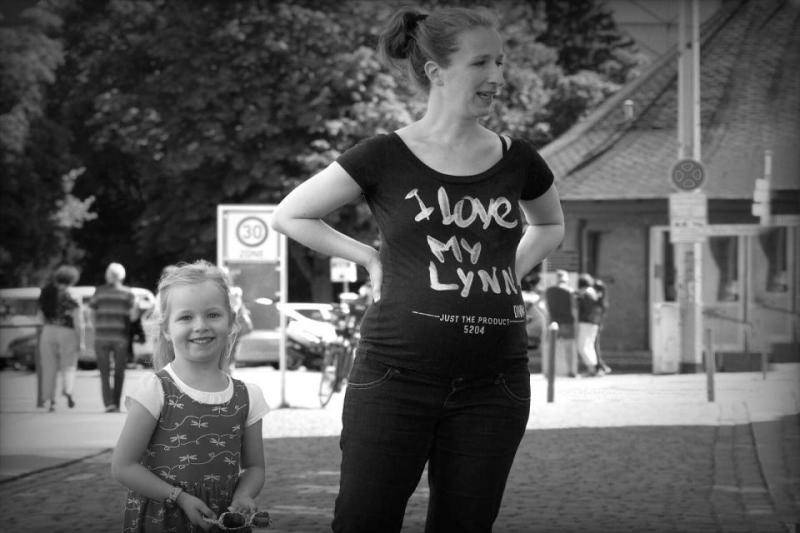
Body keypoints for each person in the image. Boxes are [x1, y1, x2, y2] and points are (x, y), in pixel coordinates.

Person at [270, 6, 564, 531]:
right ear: (436, 72)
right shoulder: (383, 155)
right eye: (481, 63)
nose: (497, 76)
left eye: (500, 62)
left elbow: (549, 226)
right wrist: (367, 256)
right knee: (364, 521)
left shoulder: (519, 159)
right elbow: (291, 214)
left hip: (494, 384)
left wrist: (504, 275)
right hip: (394, 377)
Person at [111, 260, 269, 532]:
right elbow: (123, 466)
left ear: (231, 321)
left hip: (222, 521)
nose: (200, 326)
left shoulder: (248, 396)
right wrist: (179, 498)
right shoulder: (156, 389)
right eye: (186, 317)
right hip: (162, 519)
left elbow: (255, 467)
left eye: (213, 315)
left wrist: (244, 495)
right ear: (166, 329)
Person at [90, 262, 136, 412]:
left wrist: (96, 327)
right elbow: (133, 316)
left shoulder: (99, 291)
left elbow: (90, 312)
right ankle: (115, 403)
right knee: (119, 371)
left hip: (101, 337)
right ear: (122, 276)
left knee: (104, 372)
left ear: (107, 275)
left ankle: (109, 403)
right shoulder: (128, 293)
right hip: (120, 337)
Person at [37, 265, 84, 411]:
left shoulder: (45, 292)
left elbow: (40, 317)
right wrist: (81, 341)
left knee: (49, 367)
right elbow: (78, 321)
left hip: (48, 331)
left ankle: (51, 401)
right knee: (69, 364)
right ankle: (68, 390)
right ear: (72, 279)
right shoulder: (74, 295)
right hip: (67, 332)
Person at [544, 270, 578, 377]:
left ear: (557, 278)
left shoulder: (548, 291)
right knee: (569, 349)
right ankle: (570, 371)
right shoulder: (570, 291)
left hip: (553, 323)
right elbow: (574, 309)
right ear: (566, 279)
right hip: (567, 322)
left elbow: (546, 308)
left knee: (552, 349)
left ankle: (550, 372)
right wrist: (576, 324)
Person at [576, 273, 601, 376]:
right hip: (594, 322)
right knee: (589, 346)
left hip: (586, 322)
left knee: (582, 346)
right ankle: (595, 368)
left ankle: (591, 369)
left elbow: (585, 309)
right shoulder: (593, 292)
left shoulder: (585, 294)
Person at [593, 278, 612, 374]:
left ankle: (601, 366)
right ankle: (601, 366)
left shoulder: (599, 298)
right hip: (597, 324)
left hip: (595, 324)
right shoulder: (603, 299)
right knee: (595, 346)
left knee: (595, 346)